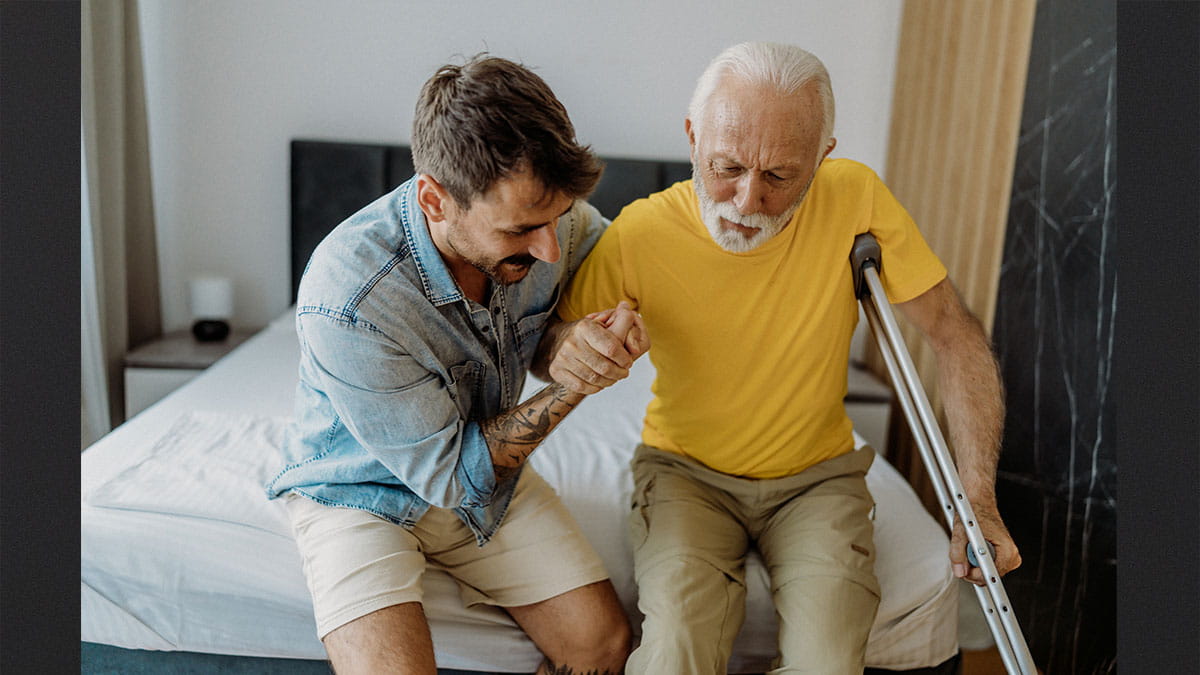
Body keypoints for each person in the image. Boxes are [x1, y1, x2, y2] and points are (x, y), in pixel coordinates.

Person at [556, 42, 1021, 674]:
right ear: (693, 137)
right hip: (686, 475)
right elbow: (551, 346)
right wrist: (582, 348)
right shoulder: (639, 234)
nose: (748, 200)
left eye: (780, 176)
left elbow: (954, 334)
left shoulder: (854, 194)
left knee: (830, 664)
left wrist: (978, 501)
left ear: (822, 157)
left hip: (817, 478)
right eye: (726, 167)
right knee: (674, 654)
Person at [266, 55, 649, 675]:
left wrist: (578, 336)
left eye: (558, 219)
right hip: (358, 492)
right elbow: (451, 476)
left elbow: (602, 286)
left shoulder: (552, 220)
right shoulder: (349, 299)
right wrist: (574, 386)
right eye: (523, 229)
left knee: (604, 645)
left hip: (488, 486)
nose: (550, 247)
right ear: (434, 200)